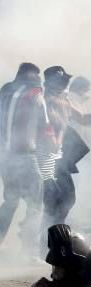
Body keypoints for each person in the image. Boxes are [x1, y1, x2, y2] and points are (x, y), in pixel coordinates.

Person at [39, 66, 91, 239]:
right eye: (59, 80)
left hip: (59, 159)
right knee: (52, 202)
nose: (63, 84)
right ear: (49, 83)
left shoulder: (64, 101)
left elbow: (83, 118)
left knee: (67, 199)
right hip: (45, 158)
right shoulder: (44, 100)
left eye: (64, 80)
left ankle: (50, 239)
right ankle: (44, 243)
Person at [0, 62, 50, 253]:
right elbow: (46, 128)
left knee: (11, 201)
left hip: (5, 158)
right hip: (27, 156)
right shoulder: (35, 93)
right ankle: (29, 251)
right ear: (33, 76)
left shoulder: (4, 91)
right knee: (35, 204)